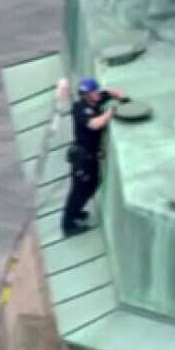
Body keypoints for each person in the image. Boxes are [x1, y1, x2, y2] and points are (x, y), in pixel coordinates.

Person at [62, 77, 130, 236]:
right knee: (78, 191)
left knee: (93, 184)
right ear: (85, 96)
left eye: (95, 91)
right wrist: (110, 113)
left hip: (92, 156)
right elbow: (94, 124)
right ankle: (68, 224)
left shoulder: (98, 98)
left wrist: (123, 98)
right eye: (92, 93)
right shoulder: (79, 109)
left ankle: (77, 211)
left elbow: (113, 92)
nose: (96, 95)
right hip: (82, 158)